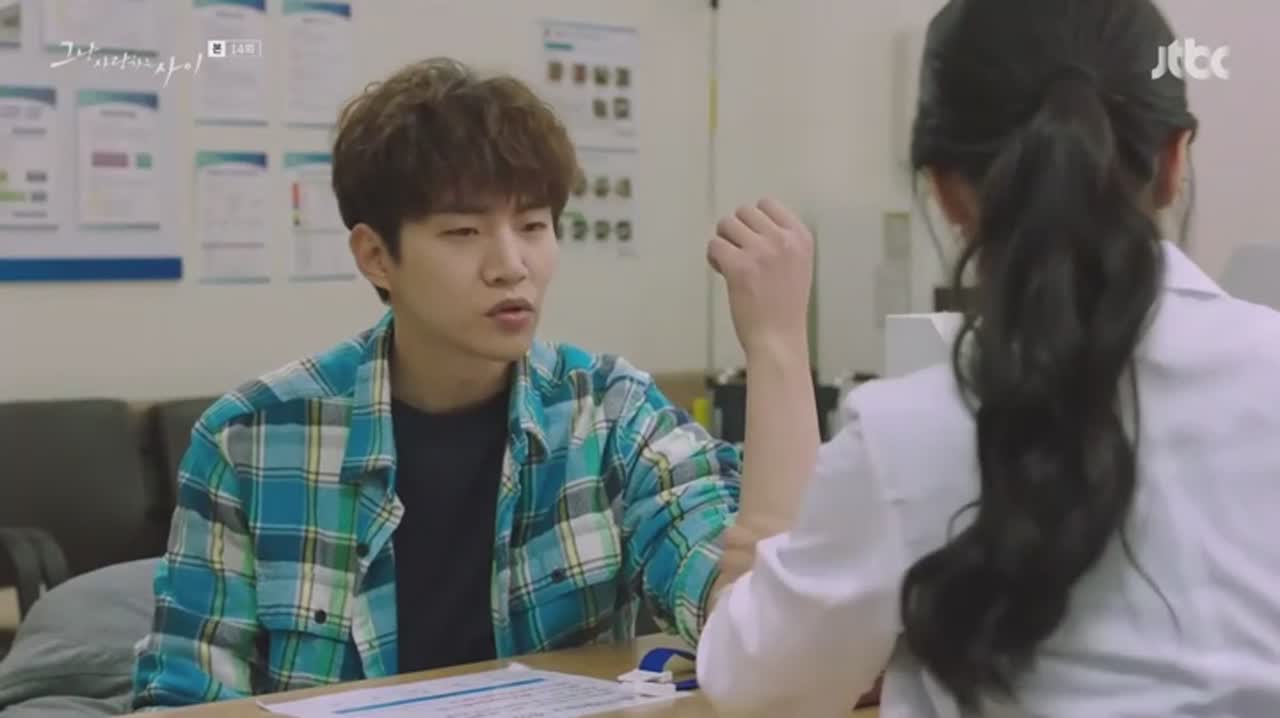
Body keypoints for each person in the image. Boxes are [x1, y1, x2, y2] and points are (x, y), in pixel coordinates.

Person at [131, 58, 798, 709]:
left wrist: (776, 346)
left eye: (533, 226)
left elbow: (759, 625)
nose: (510, 265)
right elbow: (184, 699)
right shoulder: (252, 439)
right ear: (375, 256)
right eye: (463, 231)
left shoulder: (610, 414)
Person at [695, 0, 1280, 716]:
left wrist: (776, 349)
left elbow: (762, 688)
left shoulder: (908, 435)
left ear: (944, 189)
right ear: (1174, 161)